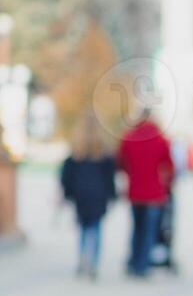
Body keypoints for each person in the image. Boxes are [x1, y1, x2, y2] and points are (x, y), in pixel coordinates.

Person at [116, 109, 174, 279]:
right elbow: (169, 165)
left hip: (135, 191)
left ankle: (133, 262)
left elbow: (120, 163)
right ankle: (142, 265)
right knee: (149, 231)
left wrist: (131, 174)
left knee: (136, 228)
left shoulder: (129, 137)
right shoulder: (160, 139)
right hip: (154, 193)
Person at [58, 115, 117, 281]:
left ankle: (82, 258)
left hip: (81, 194)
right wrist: (112, 194)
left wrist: (67, 192)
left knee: (83, 228)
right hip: (98, 194)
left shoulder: (77, 148)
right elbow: (109, 176)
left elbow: (66, 174)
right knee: (96, 228)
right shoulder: (103, 149)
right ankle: (93, 262)